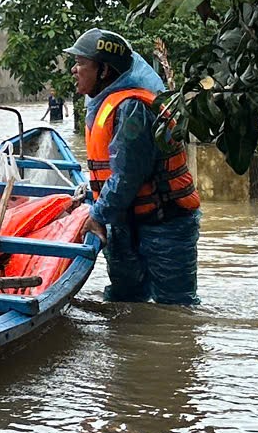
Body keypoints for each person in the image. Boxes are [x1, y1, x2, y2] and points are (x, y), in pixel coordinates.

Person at [63, 27, 200, 305]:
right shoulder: (106, 104)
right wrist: (90, 198)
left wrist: (97, 215)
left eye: (80, 64)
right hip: (126, 223)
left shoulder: (132, 108)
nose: (74, 71)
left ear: (104, 71)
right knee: (125, 304)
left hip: (164, 225)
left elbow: (127, 177)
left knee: (174, 308)